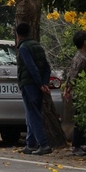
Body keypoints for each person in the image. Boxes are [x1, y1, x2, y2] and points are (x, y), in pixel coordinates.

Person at [16, 22, 52, 155]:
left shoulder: (24, 48)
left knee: (33, 114)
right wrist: (44, 83)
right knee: (30, 112)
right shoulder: (38, 46)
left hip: (29, 84)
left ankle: (43, 144)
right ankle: (30, 143)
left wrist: (39, 84)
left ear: (18, 35)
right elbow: (47, 67)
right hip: (38, 85)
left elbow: (31, 68)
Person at [64, 30, 86, 156]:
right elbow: (74, 74)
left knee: (83, 118)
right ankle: (76, 145)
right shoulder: (80, 58)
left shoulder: (80, 56)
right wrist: (69, 88)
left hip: (82, 91)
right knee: (80, 119)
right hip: (80, 92)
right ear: (84, 42)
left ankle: (82, 143)